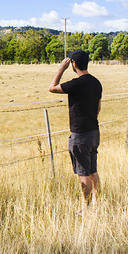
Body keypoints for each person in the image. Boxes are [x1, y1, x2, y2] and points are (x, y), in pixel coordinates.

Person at [48, 49, 102, 215]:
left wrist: (60, 70)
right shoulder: (96, 82)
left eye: (71, 62)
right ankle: (97, 205)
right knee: (93, 170)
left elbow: (52, 88)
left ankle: (85, 209)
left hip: (80, 134)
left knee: (83, 172)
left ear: (74, 64)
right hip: (94, 131)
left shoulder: (76, 84)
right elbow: (99, 107)